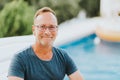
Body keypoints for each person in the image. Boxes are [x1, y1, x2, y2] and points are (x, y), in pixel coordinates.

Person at [8, 7, 83, 80]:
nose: (47, 32)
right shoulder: (20, 59)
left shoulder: (63, 56)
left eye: (51, 27)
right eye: (42, 26)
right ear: (34, 30)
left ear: (57, 30)